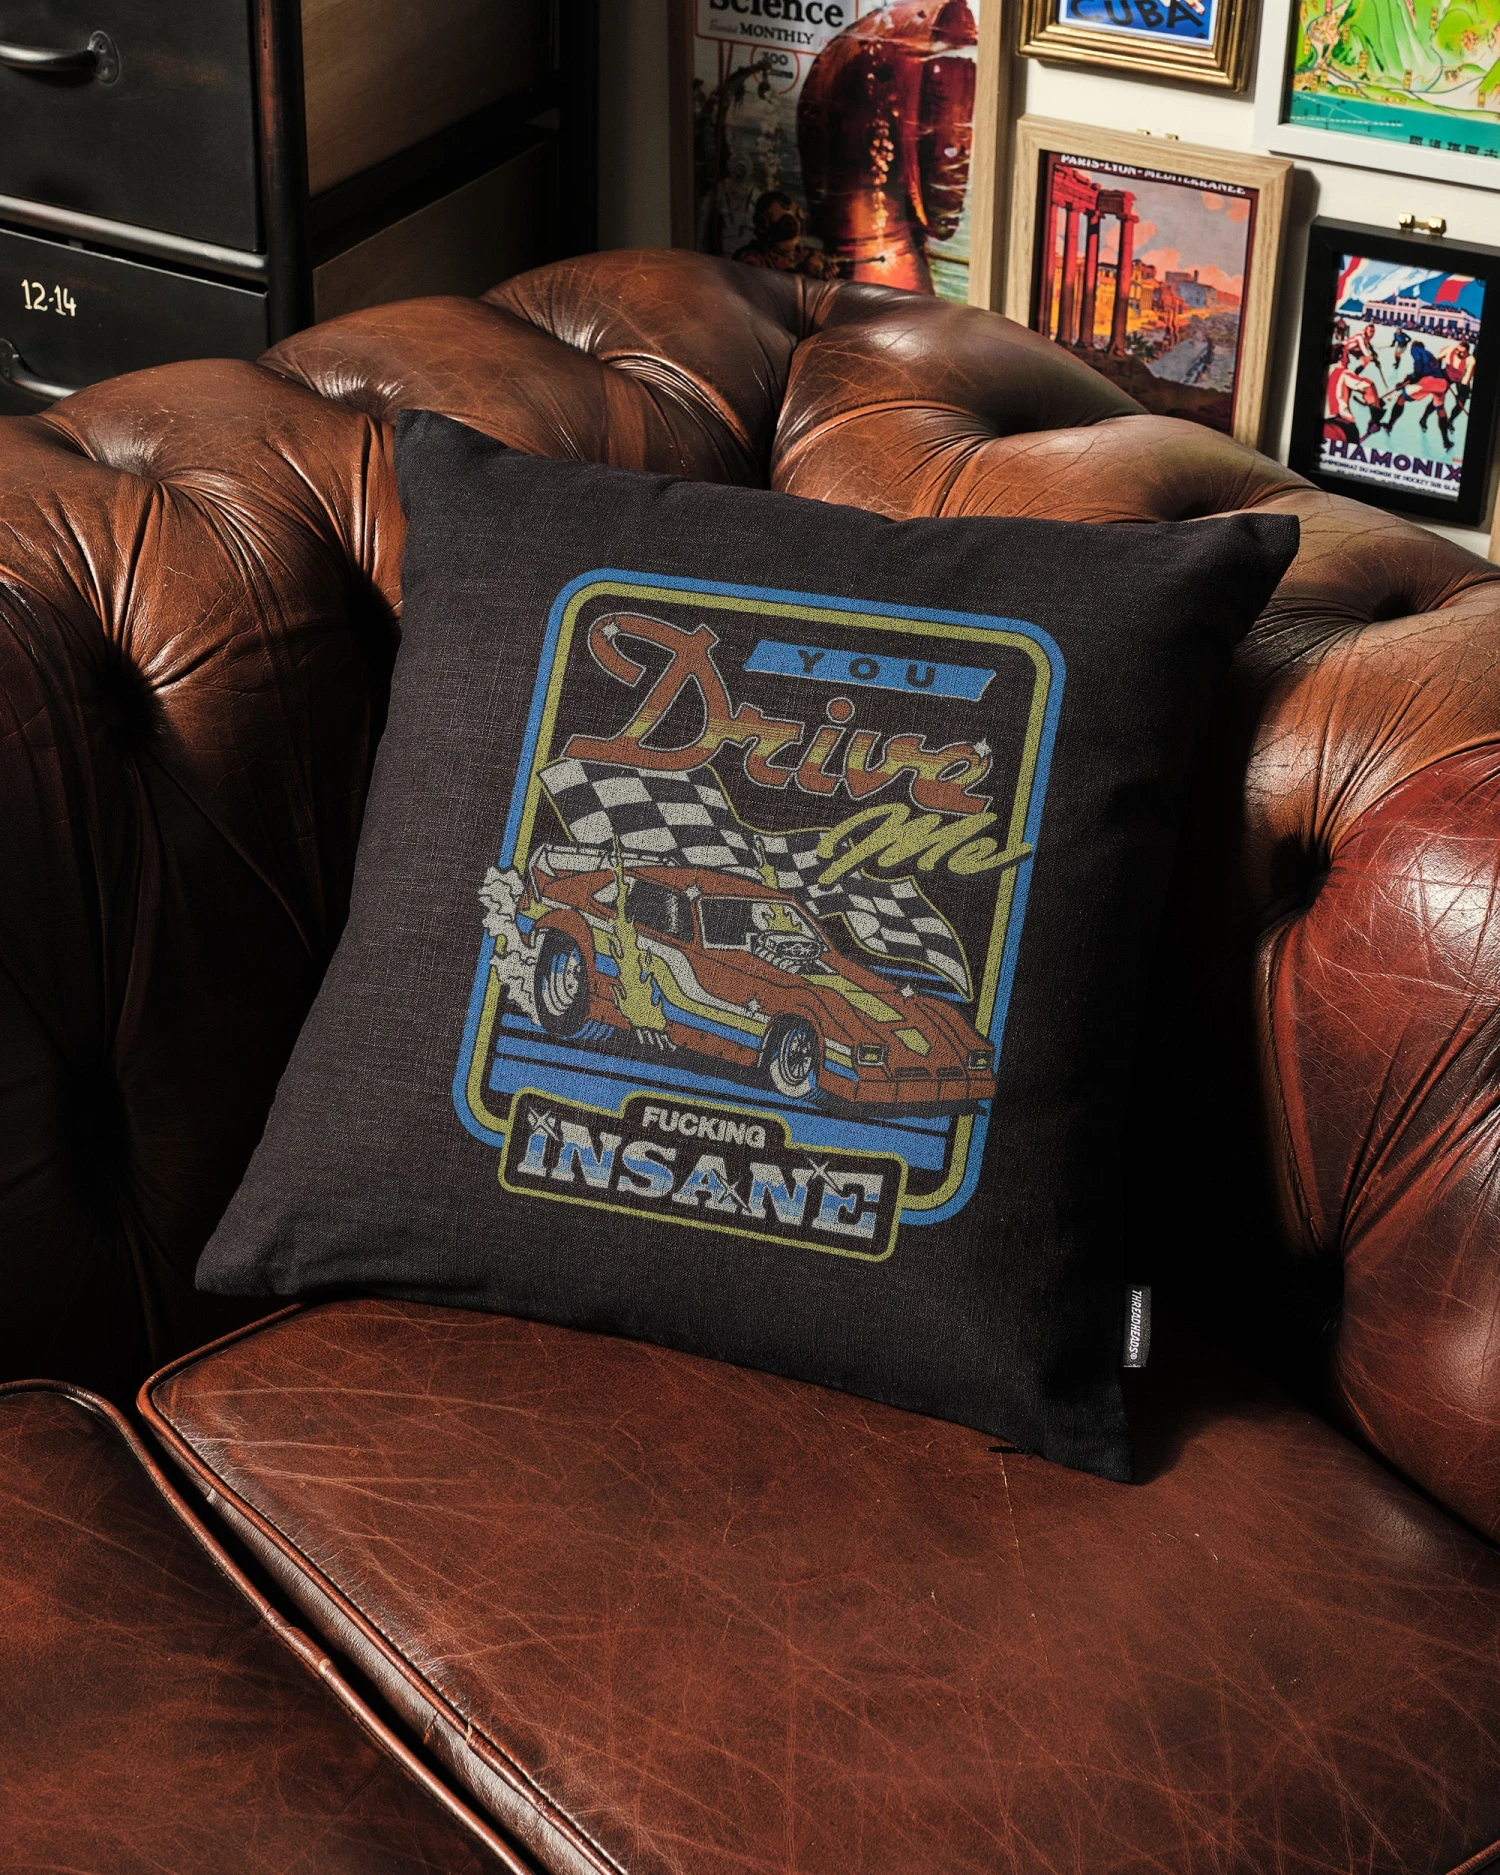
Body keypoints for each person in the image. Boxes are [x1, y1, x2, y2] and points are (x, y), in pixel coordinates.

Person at [732, 192, 840, 278]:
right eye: (791, 220)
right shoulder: (752, 259)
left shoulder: (804, 254)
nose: (798, 223)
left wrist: (824, 275)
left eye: (798, 216)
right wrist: (805, 275)